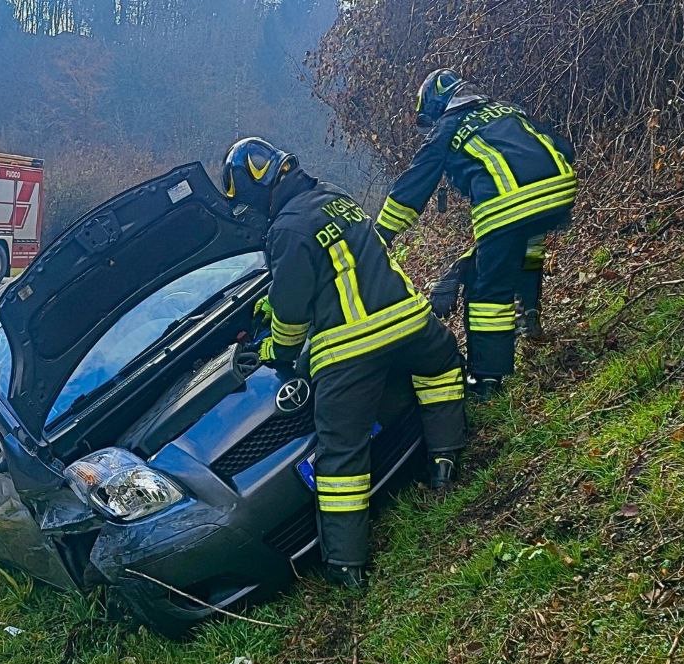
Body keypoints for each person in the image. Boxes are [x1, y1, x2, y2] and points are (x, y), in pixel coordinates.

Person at [222, 137, 467, 589]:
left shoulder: (287, 230)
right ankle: (445, 463)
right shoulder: (336, 197)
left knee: (341, 457)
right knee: (442, 370)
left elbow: (292, 310)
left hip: (352, 350)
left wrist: (278, 351)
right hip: (411, 324)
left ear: (255, 191)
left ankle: (346, 566)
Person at [375, 69, 578, 400]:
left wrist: (381, 234)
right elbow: (560, 147)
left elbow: (415, 183)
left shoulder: (447, 127)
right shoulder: (507, 109)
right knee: (526, 246)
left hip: (508, 201)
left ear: (437, 105)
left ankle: (486, 379)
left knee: (488, 287)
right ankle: (529, 310)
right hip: (560, 187)